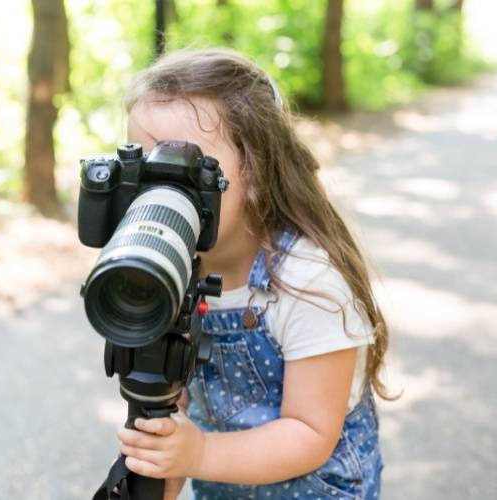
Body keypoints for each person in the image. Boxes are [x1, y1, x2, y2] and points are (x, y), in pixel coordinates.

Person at [115, 48, 394, 500]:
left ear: (257, 170)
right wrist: (161, 460)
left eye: (188, 165)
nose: (163, 186)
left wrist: (199, 453)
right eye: (147, 166)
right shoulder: (170, 269)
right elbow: (170, 409)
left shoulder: (307, 282)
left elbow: (310, 433)